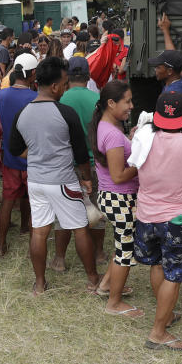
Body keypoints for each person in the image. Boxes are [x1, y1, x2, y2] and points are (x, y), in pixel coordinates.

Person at [10, 57, 100, 297]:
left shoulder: (23, 113)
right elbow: (81, 151)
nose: (66, 87)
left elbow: (14, 148)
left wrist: (39, 153)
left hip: (36, 182)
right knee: (80, 228)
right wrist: (87, 177)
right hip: (63, 181)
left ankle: (39, 284)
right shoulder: (65, 113)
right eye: (64, 83)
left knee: (39, 231)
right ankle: (93, 279)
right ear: (54, 87)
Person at [133, 91, 182, 351]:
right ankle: (158, 332)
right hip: (178, 220)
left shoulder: (143, 137)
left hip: (146, 215)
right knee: (174, 275)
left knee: (157, 265)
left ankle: (165, 316)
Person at [89, 80, 143, 317]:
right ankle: (114, 303)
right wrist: (142, 160)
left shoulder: (109, 127)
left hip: (113, 197)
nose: (131, 106)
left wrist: (130, 140)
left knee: (121, 244)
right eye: (127, 101)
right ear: (111, 103)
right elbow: (119, 175)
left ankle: (106, 285)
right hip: (119, 199)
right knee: (125, 252)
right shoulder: (111, 134)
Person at [51, 57, 106, 272]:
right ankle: (99, 252)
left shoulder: (60, 99)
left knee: (63, 211)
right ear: (88, 75)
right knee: (96, 210)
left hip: (66, 164)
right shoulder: (97, 99)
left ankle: (59, 258)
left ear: (68, 76)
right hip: (94, 164)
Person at [0, 53, 38, 255]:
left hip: (10, 156)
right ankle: (32, 244)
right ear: (33, 75)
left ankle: (1, 244)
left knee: (8, 200)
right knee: (33, 202)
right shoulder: (36, 97)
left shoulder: (1, 95)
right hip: (32, 158)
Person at [149, 48, 182, 112]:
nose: (155, 70)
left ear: (169, 71)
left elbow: (169, 120)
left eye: (158, 67)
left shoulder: (172, 96)